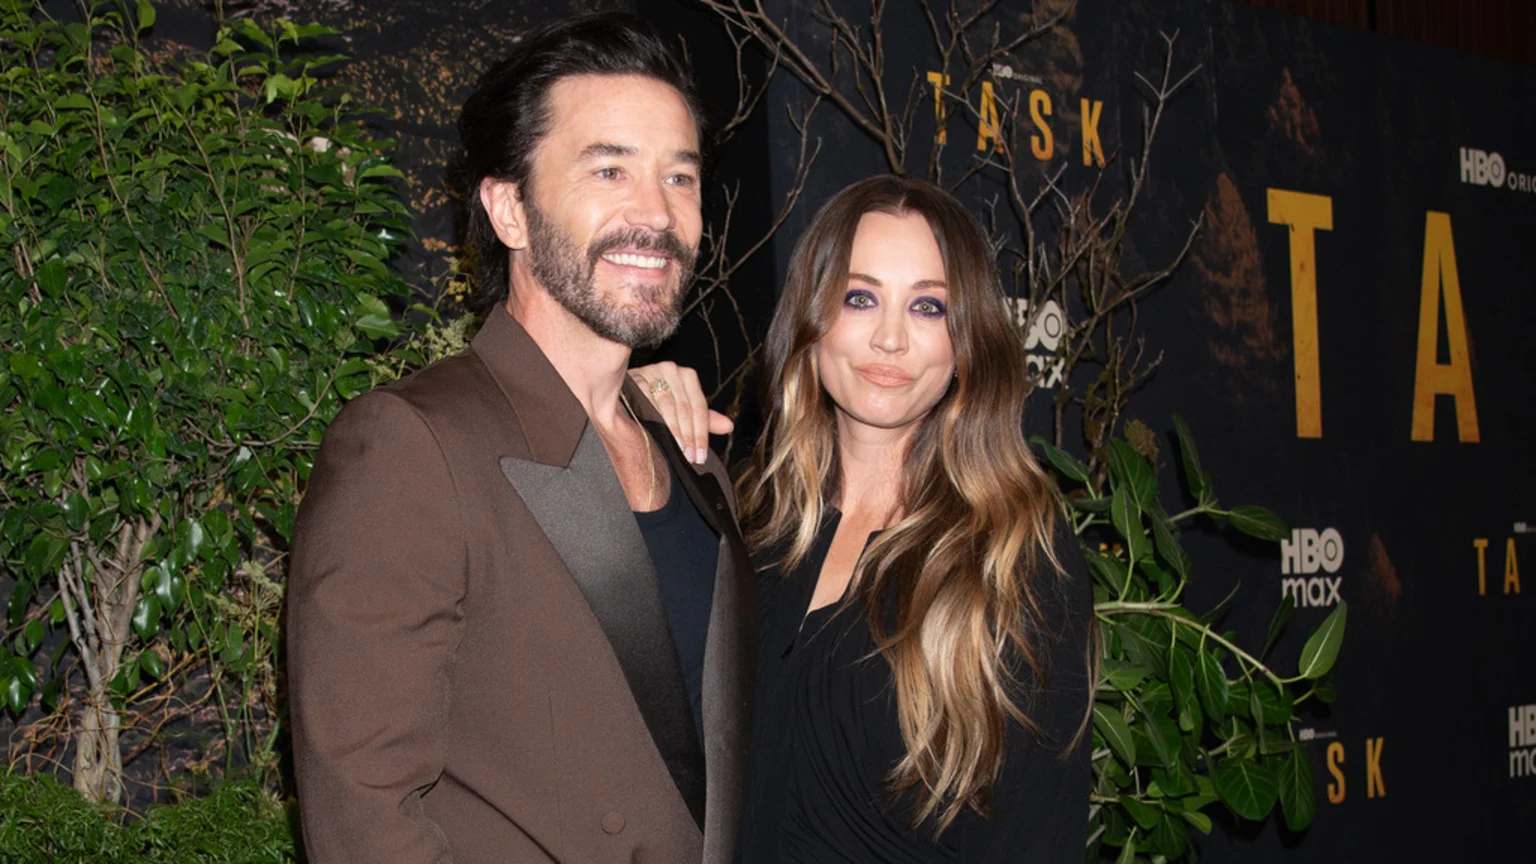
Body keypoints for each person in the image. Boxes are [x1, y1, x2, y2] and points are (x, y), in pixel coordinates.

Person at [286, 14, 756, 864]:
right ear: (509, 208)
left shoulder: (698, 468)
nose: (655, 214)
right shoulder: (410, 446)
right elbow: (367, 820)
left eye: (679, 178)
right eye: (609, 168)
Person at [634, 175, 1093, 861]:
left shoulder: (1014, 553)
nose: (889, 339)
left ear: (968, 342)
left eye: (929, 307)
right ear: (812, 319)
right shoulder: (746, 518)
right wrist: (624, 425)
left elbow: (1037, 839)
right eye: (860, 297)